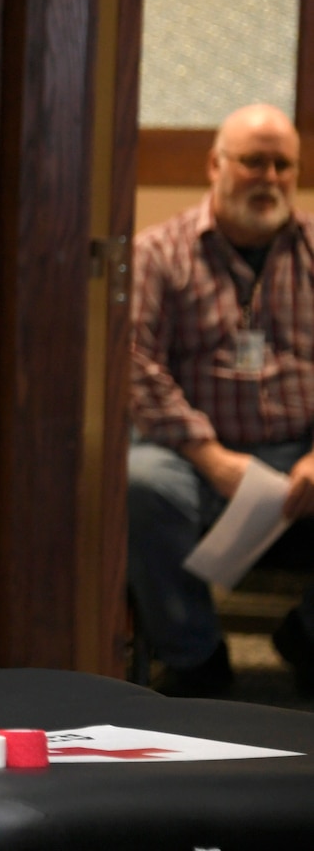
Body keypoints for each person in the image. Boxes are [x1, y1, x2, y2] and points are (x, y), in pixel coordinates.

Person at [128, 102, 314, 699]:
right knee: (139, 482)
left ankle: (307, 638)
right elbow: (135, 366)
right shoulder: (159, 252)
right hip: (191, 454)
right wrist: (211, 456)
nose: (270, 178)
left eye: (283, 165)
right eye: (253, 162)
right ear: (215, 164)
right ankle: (196, 656)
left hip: (301, 454)